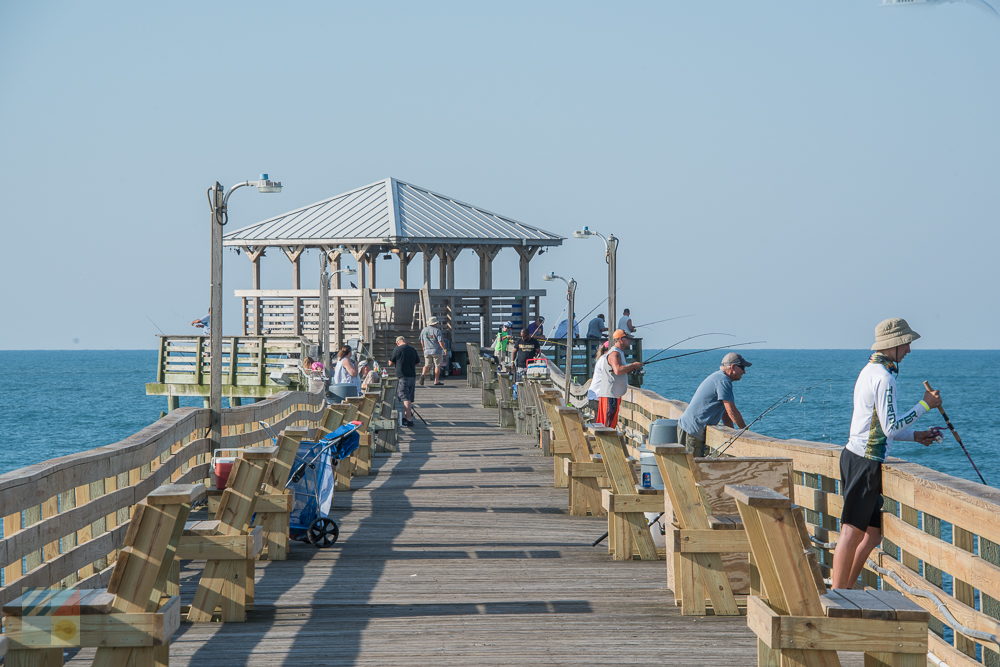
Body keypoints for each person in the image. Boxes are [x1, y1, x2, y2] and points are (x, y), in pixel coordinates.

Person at [831, 318, 941, 590]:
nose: (909, 350)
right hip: (865, 461)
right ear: (894, 345)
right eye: (906, 343)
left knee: (872, 534)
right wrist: (925, 405)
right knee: (852, 530)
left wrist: (915, 436)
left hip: (855, 456)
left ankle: (846, 585)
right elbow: (890, 427)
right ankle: (838, 593)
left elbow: (879, 426)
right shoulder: (884, 378)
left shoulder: (870, 370)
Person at [677, 352, 751, 457]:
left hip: (688, 427)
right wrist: (745, 431)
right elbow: (731, 410)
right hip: (693, 431)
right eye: (742, 367)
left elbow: (725, 412)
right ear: (733, 367)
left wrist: (731, 431)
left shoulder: (718, 377)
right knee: (693, 468)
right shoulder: (723, 381)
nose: (744, 372)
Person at [589, 329, 643, 427]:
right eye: (628, 339)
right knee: (607, 425)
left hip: (614, 395)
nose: (630, 341)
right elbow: (617, 370)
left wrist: (630, 368)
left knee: (610, 424)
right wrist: (633, 365)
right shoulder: (614, 353)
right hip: (610, 396)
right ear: (620, 339)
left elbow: (616, 371)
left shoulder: (619, 352)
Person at [389, 335, 420, 427]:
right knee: (409, 397)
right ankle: (407, 415)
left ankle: (408, 419)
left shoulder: (397, 349)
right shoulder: (413, 349)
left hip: (402, 376)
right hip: (412, 376)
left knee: (404, 397)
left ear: (397, 342)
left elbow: (390, 363)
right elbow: (417, 362)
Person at [419, 316, 446, 386]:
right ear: (435, 323)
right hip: (436, 351)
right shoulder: (437, 330)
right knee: (437, 366)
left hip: (427, 350)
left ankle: (422, 375)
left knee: (427, 365)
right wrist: (444, 349)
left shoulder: (424, 330)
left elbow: (422, 341)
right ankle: (436, 381)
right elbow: (440, 342)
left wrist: (423, 348)